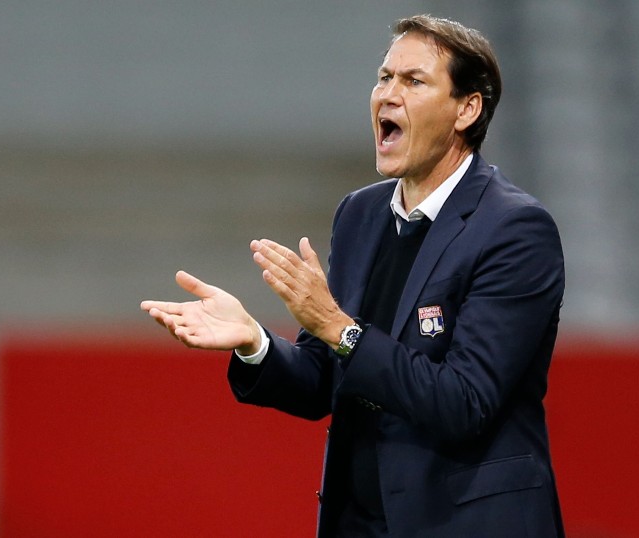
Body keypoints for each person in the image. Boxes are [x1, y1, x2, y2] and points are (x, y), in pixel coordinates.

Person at [142, 14, 565, 537]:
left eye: (414, 81)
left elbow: (463, 402)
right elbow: (325, 378)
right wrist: (255, 342)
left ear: (467, 109)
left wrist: (337, 327)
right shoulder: (360, 215)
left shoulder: (514, 229)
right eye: (384, 77)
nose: (388, 94)